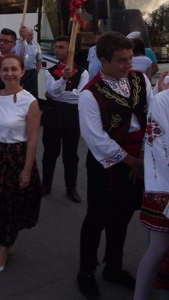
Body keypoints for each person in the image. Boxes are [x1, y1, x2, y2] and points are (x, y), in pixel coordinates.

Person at [76, 31, 151, 298]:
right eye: (121, 60)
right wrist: (131, 162)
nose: (129, 64)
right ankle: (86, 271)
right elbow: (95, 138)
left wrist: (142, 156)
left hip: (138, 160)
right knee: (97, 218)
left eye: (130, 58)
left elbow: (150, 118)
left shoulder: (140, 80)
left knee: (122, 216)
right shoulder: (90, 94)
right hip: (106, 164)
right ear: (103, 60)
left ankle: (114, 266)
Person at [0, 54, 42, 276]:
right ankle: (6, 244)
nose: (9, 74)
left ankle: (1, 252)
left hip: (16, 158)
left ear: (22, 72)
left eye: (13, 69)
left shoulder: (31, 101)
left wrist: (26, 170)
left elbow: (33, 138)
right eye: (5, 70)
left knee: (10, 206)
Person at [40, 36, 89, 203]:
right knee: (49, 154)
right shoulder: (50, 71)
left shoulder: (83, 72)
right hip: (52, 118)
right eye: (56, 47)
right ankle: (46, 184)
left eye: (61, 47)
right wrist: (63, 80)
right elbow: (52, 92)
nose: (56, 50)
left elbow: (81, 97)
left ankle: (71, 187)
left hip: (71, 120)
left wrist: (57, 94)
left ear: (71, 50)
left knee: (70, 155)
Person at [134, 85, 169, 299]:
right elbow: (159, 144)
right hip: (164, 185)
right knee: (157, 249)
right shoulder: (162, 100)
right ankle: (140, 295)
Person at [13, 26, 42, 98]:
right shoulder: (18, 44)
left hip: (31, 72)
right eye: (29, 35)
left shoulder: (36, 45)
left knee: (32, 94)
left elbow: (39, 59)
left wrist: (36, 71)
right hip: (19, 72)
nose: (32, 37)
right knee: (16, 92)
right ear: (24, 35)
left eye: (32, 35)